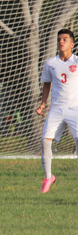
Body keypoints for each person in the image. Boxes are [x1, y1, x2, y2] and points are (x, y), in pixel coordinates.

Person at [36, 28, 78, 193]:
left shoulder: (76, 61)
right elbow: (47, 83)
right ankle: (48, 177)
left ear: (72, 44)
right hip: (56, 109)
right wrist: (42, 104)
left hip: (75, 109)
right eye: (59, 39)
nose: (61, 42)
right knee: (45, 141)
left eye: (65, 39)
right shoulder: (50, 63)